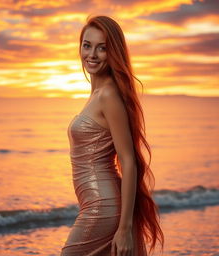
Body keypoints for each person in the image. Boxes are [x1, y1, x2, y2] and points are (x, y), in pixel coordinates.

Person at [60, 15, 164, 256]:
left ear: (113, 52)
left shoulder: (108, 95)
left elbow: (128, 161)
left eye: (102, 48)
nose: (92, 54)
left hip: (103, 206)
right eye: (87, 45)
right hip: (95, 203)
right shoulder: (97, 94)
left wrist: (125, 227)